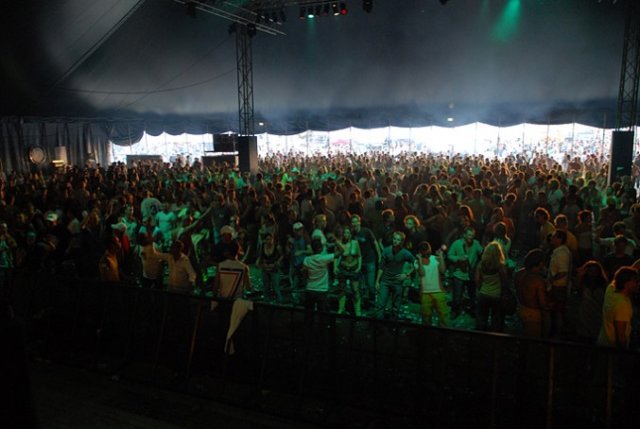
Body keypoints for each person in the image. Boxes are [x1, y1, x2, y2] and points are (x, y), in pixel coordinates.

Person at [375, 231, 417, 320]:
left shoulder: (405, 253)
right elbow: (381, 267)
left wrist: (406, 274)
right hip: (385, 281)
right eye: (394, 239)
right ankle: (378, 324)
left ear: (402, 242)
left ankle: (393, 325)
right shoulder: (386, 250)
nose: (395, 241)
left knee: (395, 307)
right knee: (380, 305)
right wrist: (377, 281)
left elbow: (416, 263)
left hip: (397, 282)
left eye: (398, 240)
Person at [597, 266, 638, 348]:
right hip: (612, 349)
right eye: (635, 281)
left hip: (602, 342)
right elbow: (621, 336)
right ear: (627, 283)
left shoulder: (610, 291)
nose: (638, 284)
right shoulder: (622, 304)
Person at [447, 226, 483, 319]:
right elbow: (449, 255)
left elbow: (482, 253)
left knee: (472, 295)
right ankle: (455, 311)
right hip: (459, 274)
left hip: (470, 275)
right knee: (457, 296)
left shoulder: (476, 244)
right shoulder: (456, 243)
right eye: (469, 235)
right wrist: (458, 258)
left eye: (473, 235)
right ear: (464, 235)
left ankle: (472, 311)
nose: (471, 237)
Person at [515, 249, 551, 337]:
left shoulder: (518, 273)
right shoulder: (538, 280)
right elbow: (543, 303)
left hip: (521, 308)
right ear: (541, 263)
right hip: (533, 314)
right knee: (533, 340)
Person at [474, 241, 508, 332]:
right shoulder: (501, 266)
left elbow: (477, 280)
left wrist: (480, 289)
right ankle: (494, 336)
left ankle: (480, 335)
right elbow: (504, 281)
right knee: (496, 319)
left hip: (483, 293)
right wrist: (504, 294)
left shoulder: (481, 264)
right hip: (496, 295)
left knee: (481, 318)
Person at [415, 241, 448, 327]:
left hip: (438, 291)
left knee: (443, 316)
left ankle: (444, 333)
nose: (427, 253)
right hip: (425, 292)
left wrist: (441, 256)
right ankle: (428, 333)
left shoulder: (435, 258)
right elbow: (422, 273)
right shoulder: (417, 262)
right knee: (426, 317)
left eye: (428, 250)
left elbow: (443, 270)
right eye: (424, 251)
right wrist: (420, 260)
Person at [334, 226, 362, 316]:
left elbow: (359, 256)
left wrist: (359, 267)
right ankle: (341, 308)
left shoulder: (355, 243)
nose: (346, 234)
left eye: (348, 233)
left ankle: (358, 311)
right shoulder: (340, 243)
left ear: (351, 234)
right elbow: (336, 256)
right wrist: (335, 267)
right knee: (342, 289)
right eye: (344, 233)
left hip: (353, 269)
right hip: (343, 269)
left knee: (355, 290)